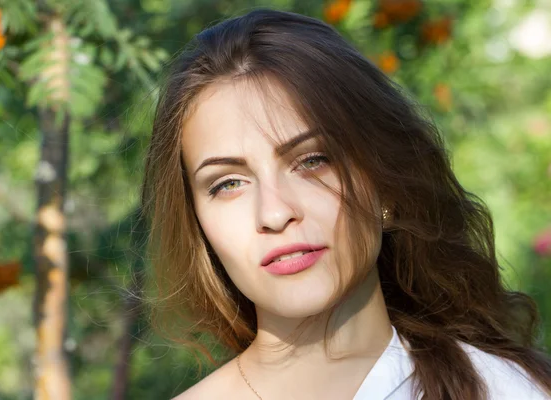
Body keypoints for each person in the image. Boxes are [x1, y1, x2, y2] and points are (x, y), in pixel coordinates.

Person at [141, 8, 551, 400]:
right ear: (198, 225)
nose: (275, 213)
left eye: (312, 161)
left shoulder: (511, 390)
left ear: (386, 184)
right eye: (228, 183)